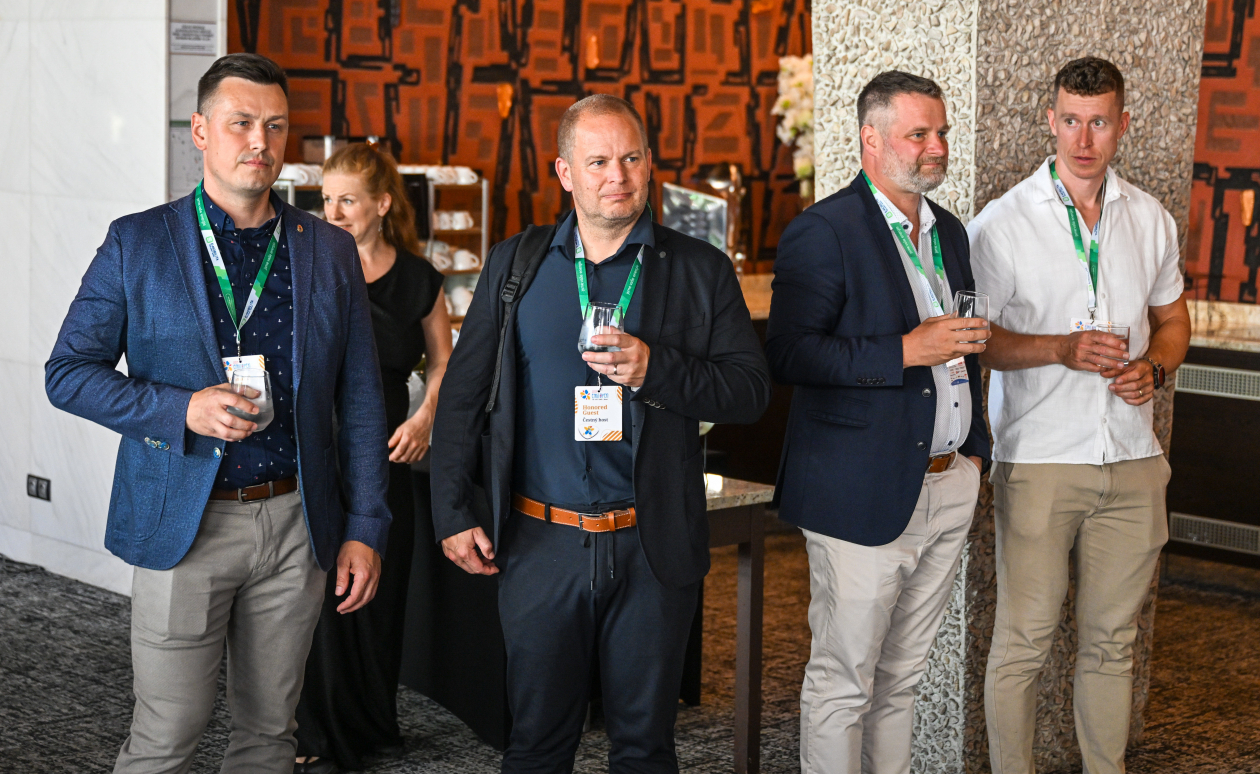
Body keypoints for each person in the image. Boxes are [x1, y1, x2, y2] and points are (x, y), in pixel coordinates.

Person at [44, 53, 391, 773]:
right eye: (241, 123)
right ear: (201, 131)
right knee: (167, 736)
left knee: (270, 735)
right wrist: (183, 409)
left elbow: (360, 399)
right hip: (187, 522)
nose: (260, 141)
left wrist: (366, 526)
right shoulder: (139, 241)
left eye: (276, 125)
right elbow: (68, 374)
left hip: (297, 524)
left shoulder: (328, 250)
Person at [430, 94, 770, 773]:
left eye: (632, 158)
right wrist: (452, 512)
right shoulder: (516, 266)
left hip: (652, 545)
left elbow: (750, 391)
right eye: (598, 162)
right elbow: (462, 398)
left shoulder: (698, 269)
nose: (618, 175)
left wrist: (655, 370)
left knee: (645, 748)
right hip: (540, 544)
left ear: (649, 164)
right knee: (536, 745)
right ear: (564, 173)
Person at [968, 57, 1190, 774]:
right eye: (1070, 121)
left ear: (1122, 125)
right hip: (1041, 459)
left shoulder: (1149, 218)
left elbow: (1173, 321)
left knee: (1112, 644)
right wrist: (1060, 348)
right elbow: (980, 341)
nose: (1083, 139)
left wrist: (1155, 368)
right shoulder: (1001, 224)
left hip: (1132, 458)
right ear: (1051, 121)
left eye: (1098, 122)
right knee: (1024, 643)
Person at [767, 70, 992, 774]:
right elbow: (789, 352)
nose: (936, 147)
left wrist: (975, 453)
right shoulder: (824, 230)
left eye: (941, 132)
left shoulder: (948, 231)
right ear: (871, 139)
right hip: (858, 490)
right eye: (918, 134)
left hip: (948, 482)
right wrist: (904, 351)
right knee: (845, 682)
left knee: (903, 680)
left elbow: (963, 351)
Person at [293, 143, 451, 773]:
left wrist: (425, 418)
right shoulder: (308, 266)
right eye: (326, 200)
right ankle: (314, 731)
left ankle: (373, 725)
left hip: (386, 449)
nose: (332, 213)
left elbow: (442, 362)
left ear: (382, 205)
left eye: (347, 201)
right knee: (317, 595)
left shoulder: (419, 279)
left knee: (380, 596)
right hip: (317, 447)